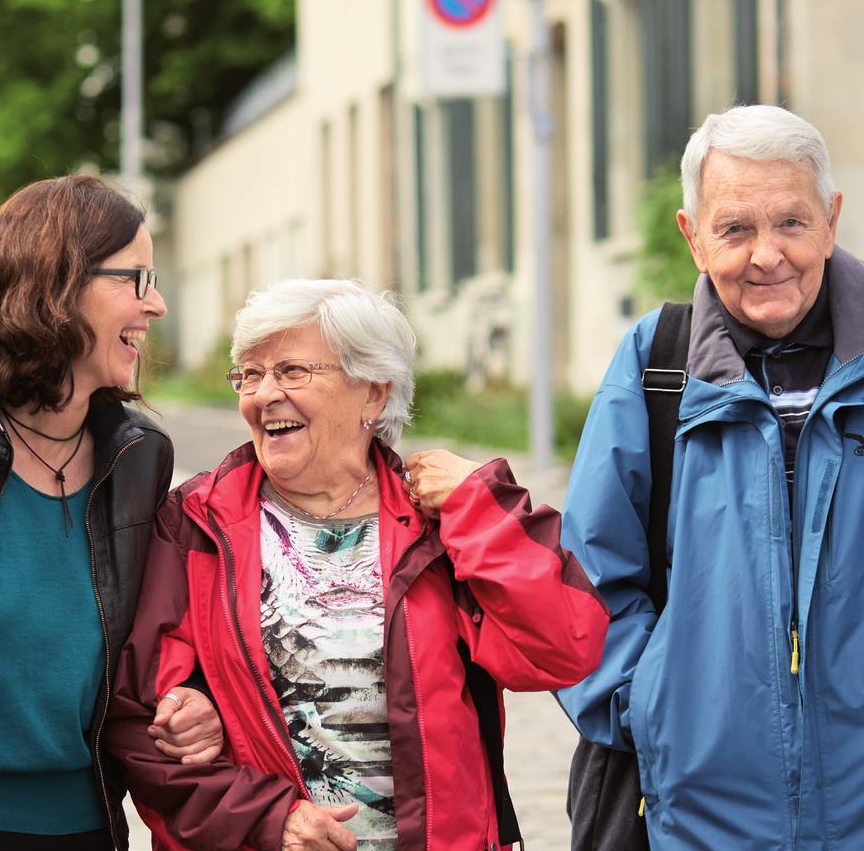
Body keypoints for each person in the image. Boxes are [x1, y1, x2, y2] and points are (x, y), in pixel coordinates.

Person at [104, 277, 610, 850]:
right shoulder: (196, 523)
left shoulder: (436, 524)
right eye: (249, 374)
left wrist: (482, 506)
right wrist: (270, 819)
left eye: (292, 371)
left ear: (373, 392)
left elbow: (561, 648)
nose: (263, 394)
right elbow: (142, 725)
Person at [556, 103, 864, 850]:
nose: (767, 254)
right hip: (707, 816)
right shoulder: (657, 363)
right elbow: (587, 579)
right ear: (693, 237)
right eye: (736, 228)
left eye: (791, 222)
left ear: (831, 218)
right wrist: (655, 708)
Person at [0, 175, 222, 851]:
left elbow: (155, 639)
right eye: (138, 277)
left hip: (83, 825)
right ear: (56, 283)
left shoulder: (142, 457)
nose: (156, 303)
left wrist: (193, 697)